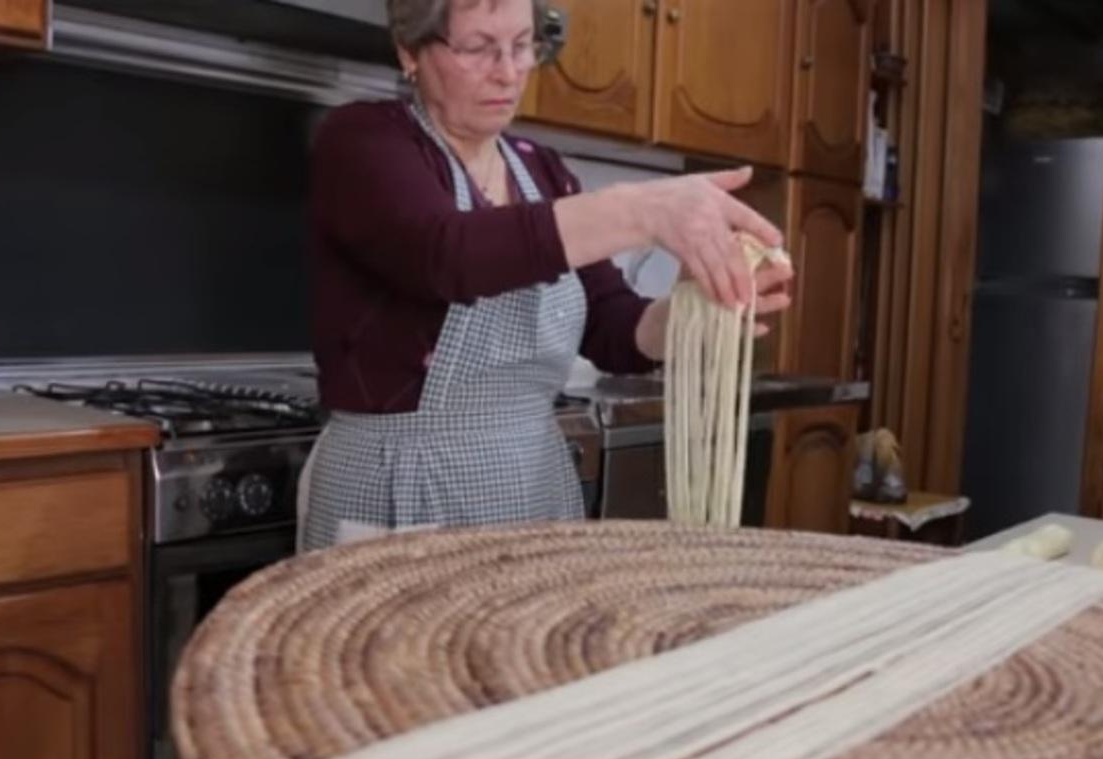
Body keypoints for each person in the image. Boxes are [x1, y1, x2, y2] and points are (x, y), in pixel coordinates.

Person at [298, 0, 795, 550]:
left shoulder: (543, 171)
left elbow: (612, 327)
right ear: (409, 51)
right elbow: (446, 256)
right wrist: (643, 210)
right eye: (478, 48)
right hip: (402, 488)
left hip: (532, 487)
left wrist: (692, 314)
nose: (508, 71)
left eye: (522, 45)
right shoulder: (363, 140)